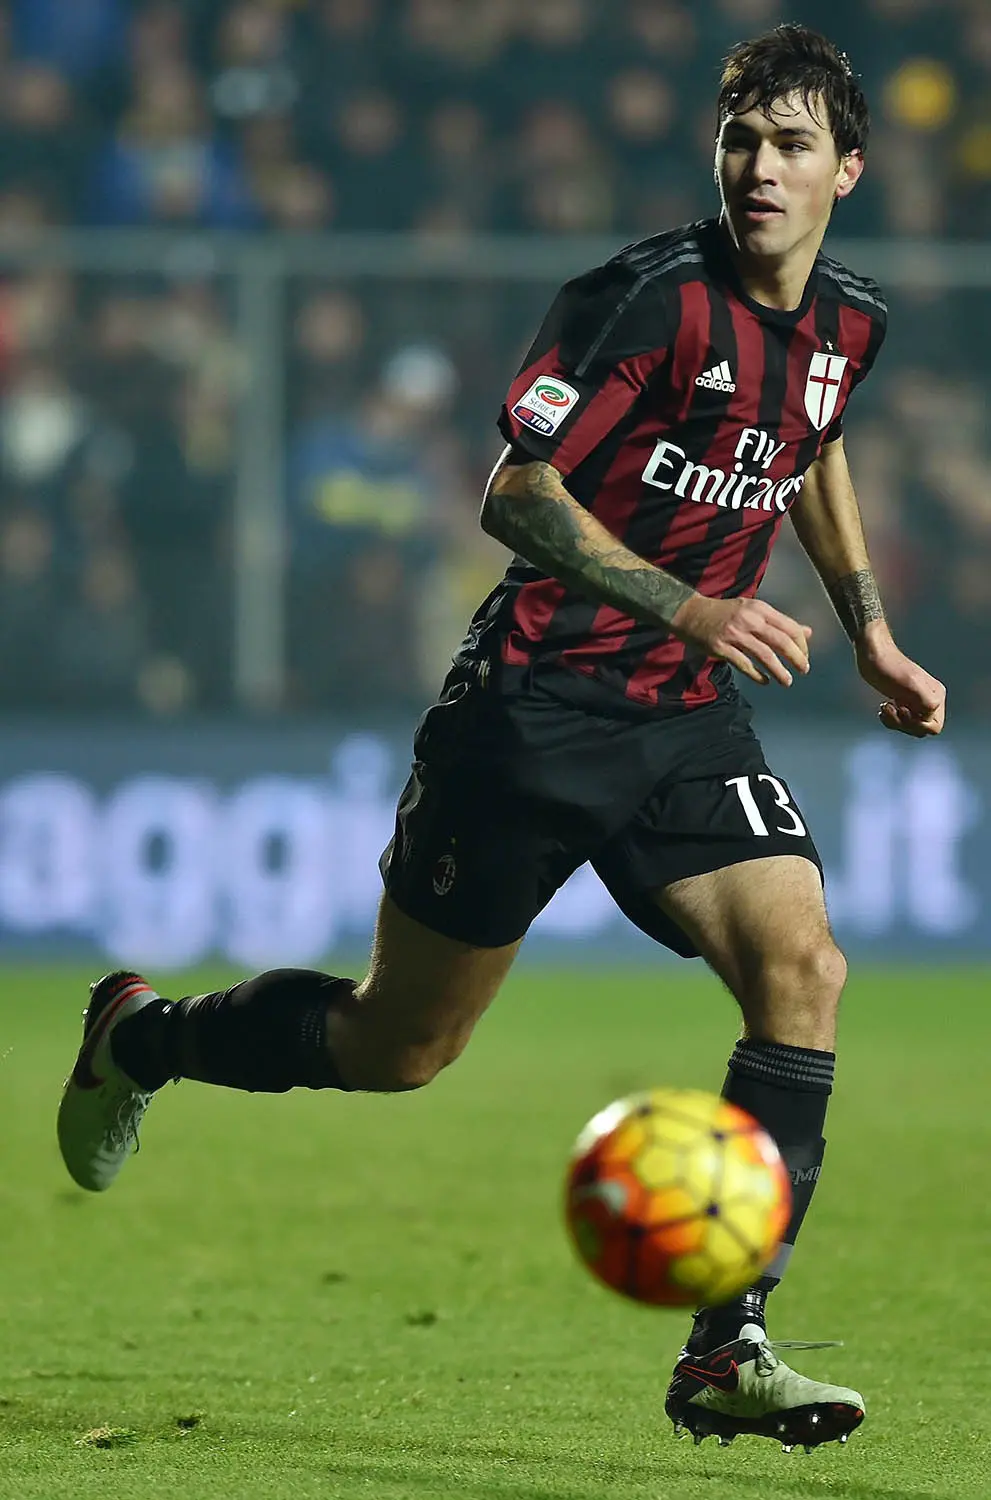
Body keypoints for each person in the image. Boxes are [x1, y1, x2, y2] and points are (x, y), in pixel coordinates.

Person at [58, 25, 945, 1456]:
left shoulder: (851, 322)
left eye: (787, 143)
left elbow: (812, 444)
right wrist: (693, 606)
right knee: (397, 1044)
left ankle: (728, 1342)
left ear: (848, 166)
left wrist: (864, 630)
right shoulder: (642, 300)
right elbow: (513, 493)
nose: (756, 166)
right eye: (738, 137)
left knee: (804, 967)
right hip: (530, 711)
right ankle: (142, 1039)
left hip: (679, 718)